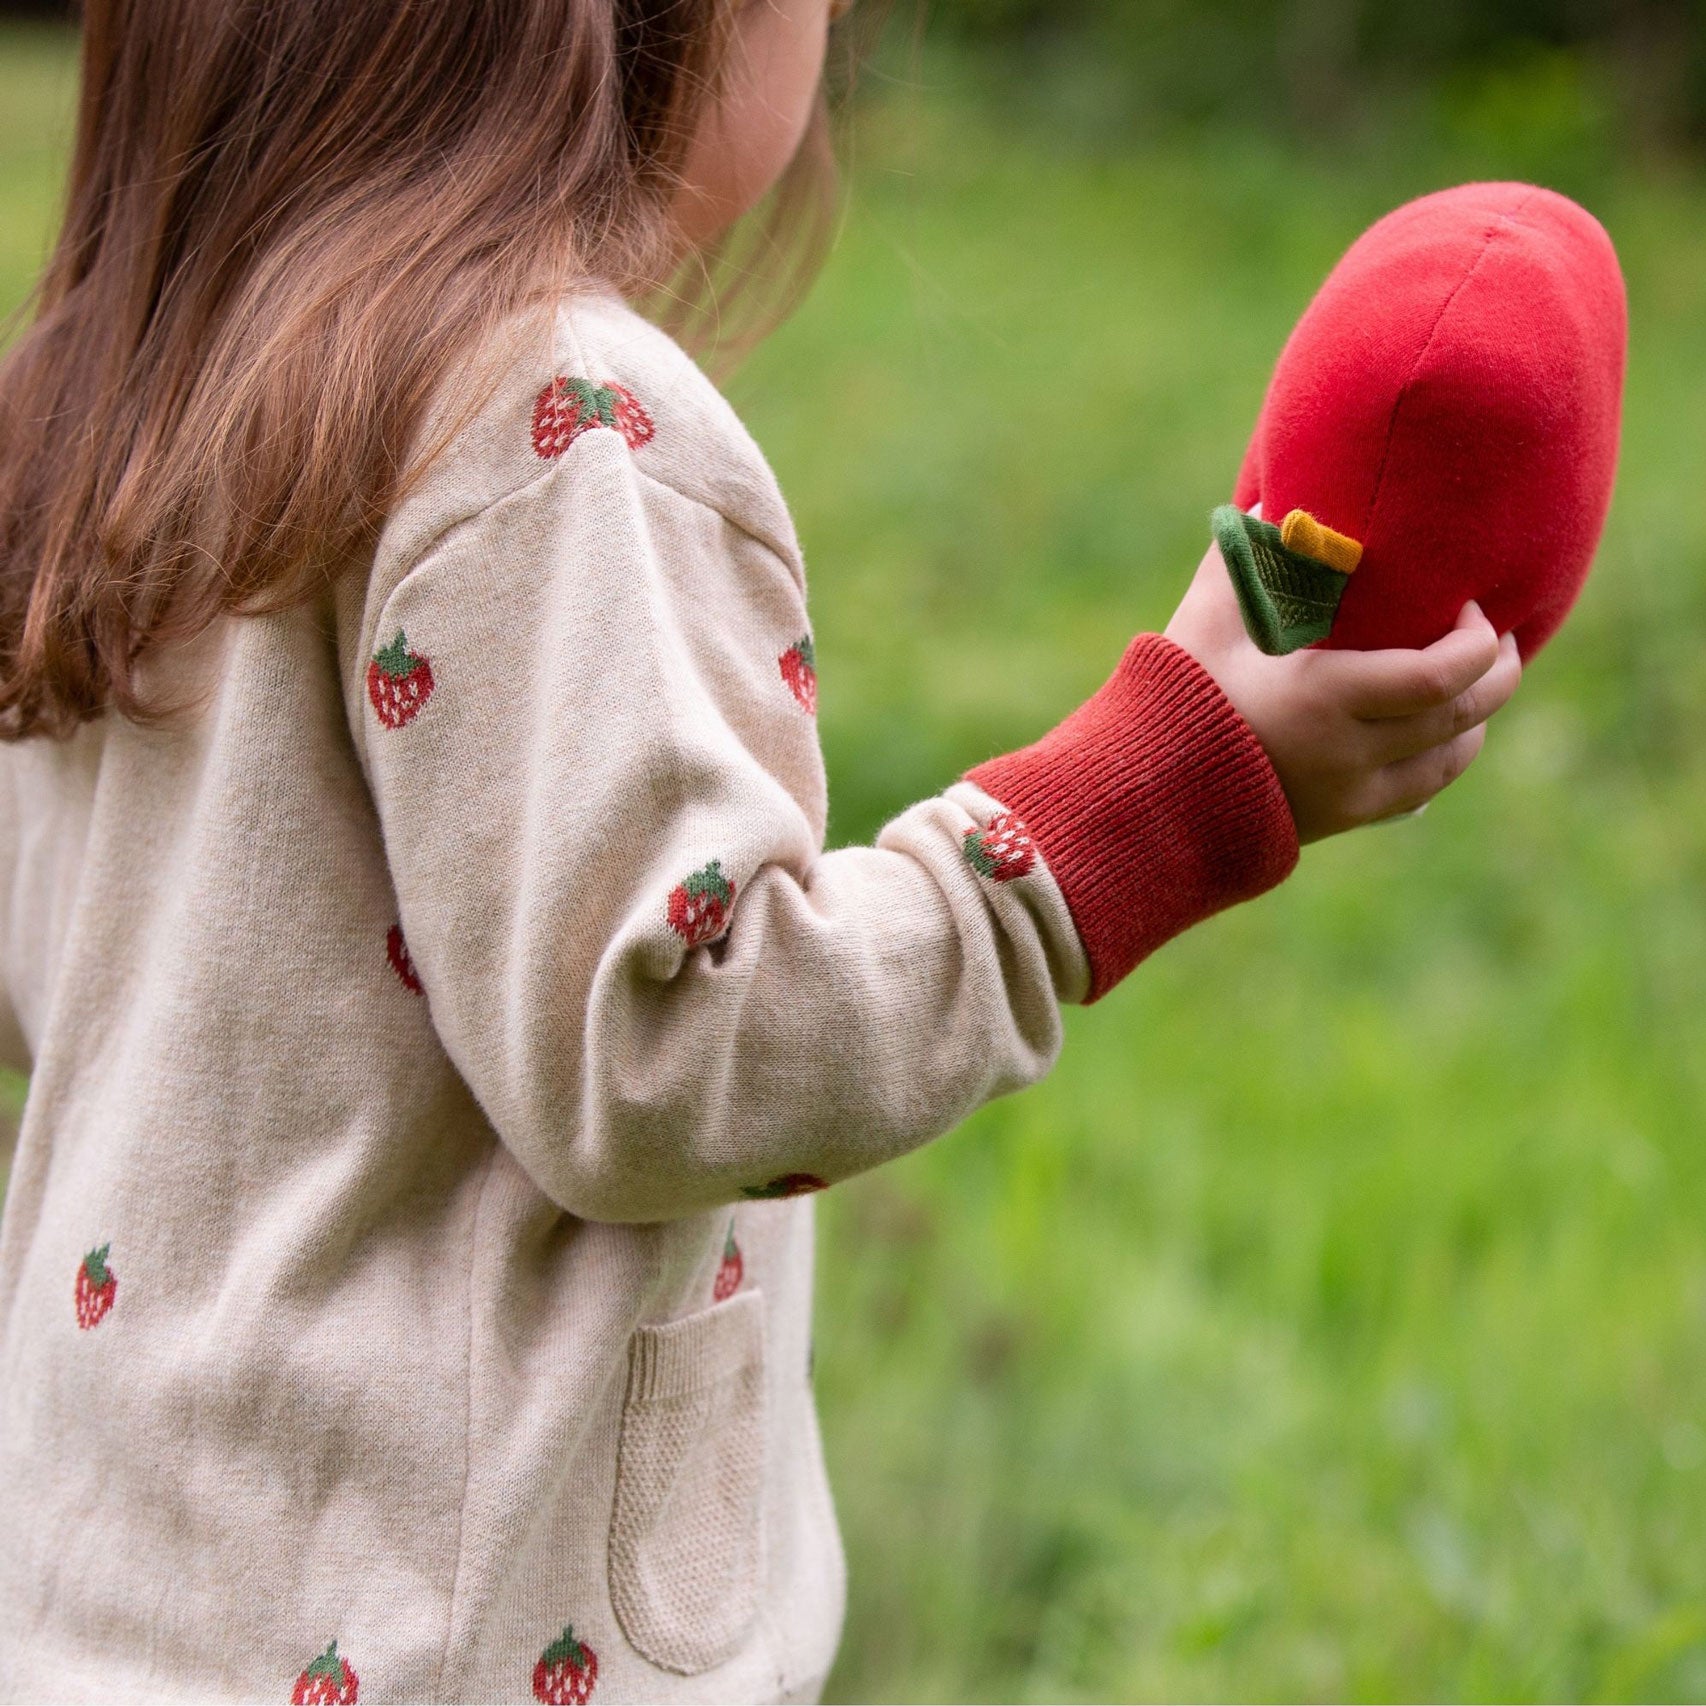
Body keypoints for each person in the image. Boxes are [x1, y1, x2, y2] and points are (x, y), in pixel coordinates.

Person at [0, 1, 1522, 1699]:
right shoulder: (551, 422)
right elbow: (670, 1042)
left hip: (99, 1607)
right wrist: (1147, 796)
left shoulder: (102, 411)